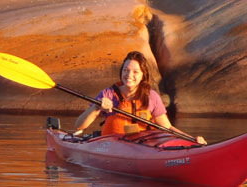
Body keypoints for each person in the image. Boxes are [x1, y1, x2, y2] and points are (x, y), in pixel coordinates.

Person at [75, 51, 207, 145]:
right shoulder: (108, 94)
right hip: (112, 148)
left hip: (143, 148)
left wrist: (192, 139)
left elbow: (167, 127)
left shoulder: (152, 97)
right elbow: (79, 126)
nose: (129, 75)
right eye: (125, 70)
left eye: (135, 72)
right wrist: (97, 107)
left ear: (143, 75)